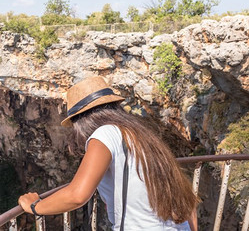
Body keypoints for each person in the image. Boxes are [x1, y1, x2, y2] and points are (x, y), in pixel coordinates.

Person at [18, 76, 198, 230]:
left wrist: (35, 206)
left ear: (81, 121)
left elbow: (77, 195)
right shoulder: (143, 136)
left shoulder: (106, 134)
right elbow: (188, 200)